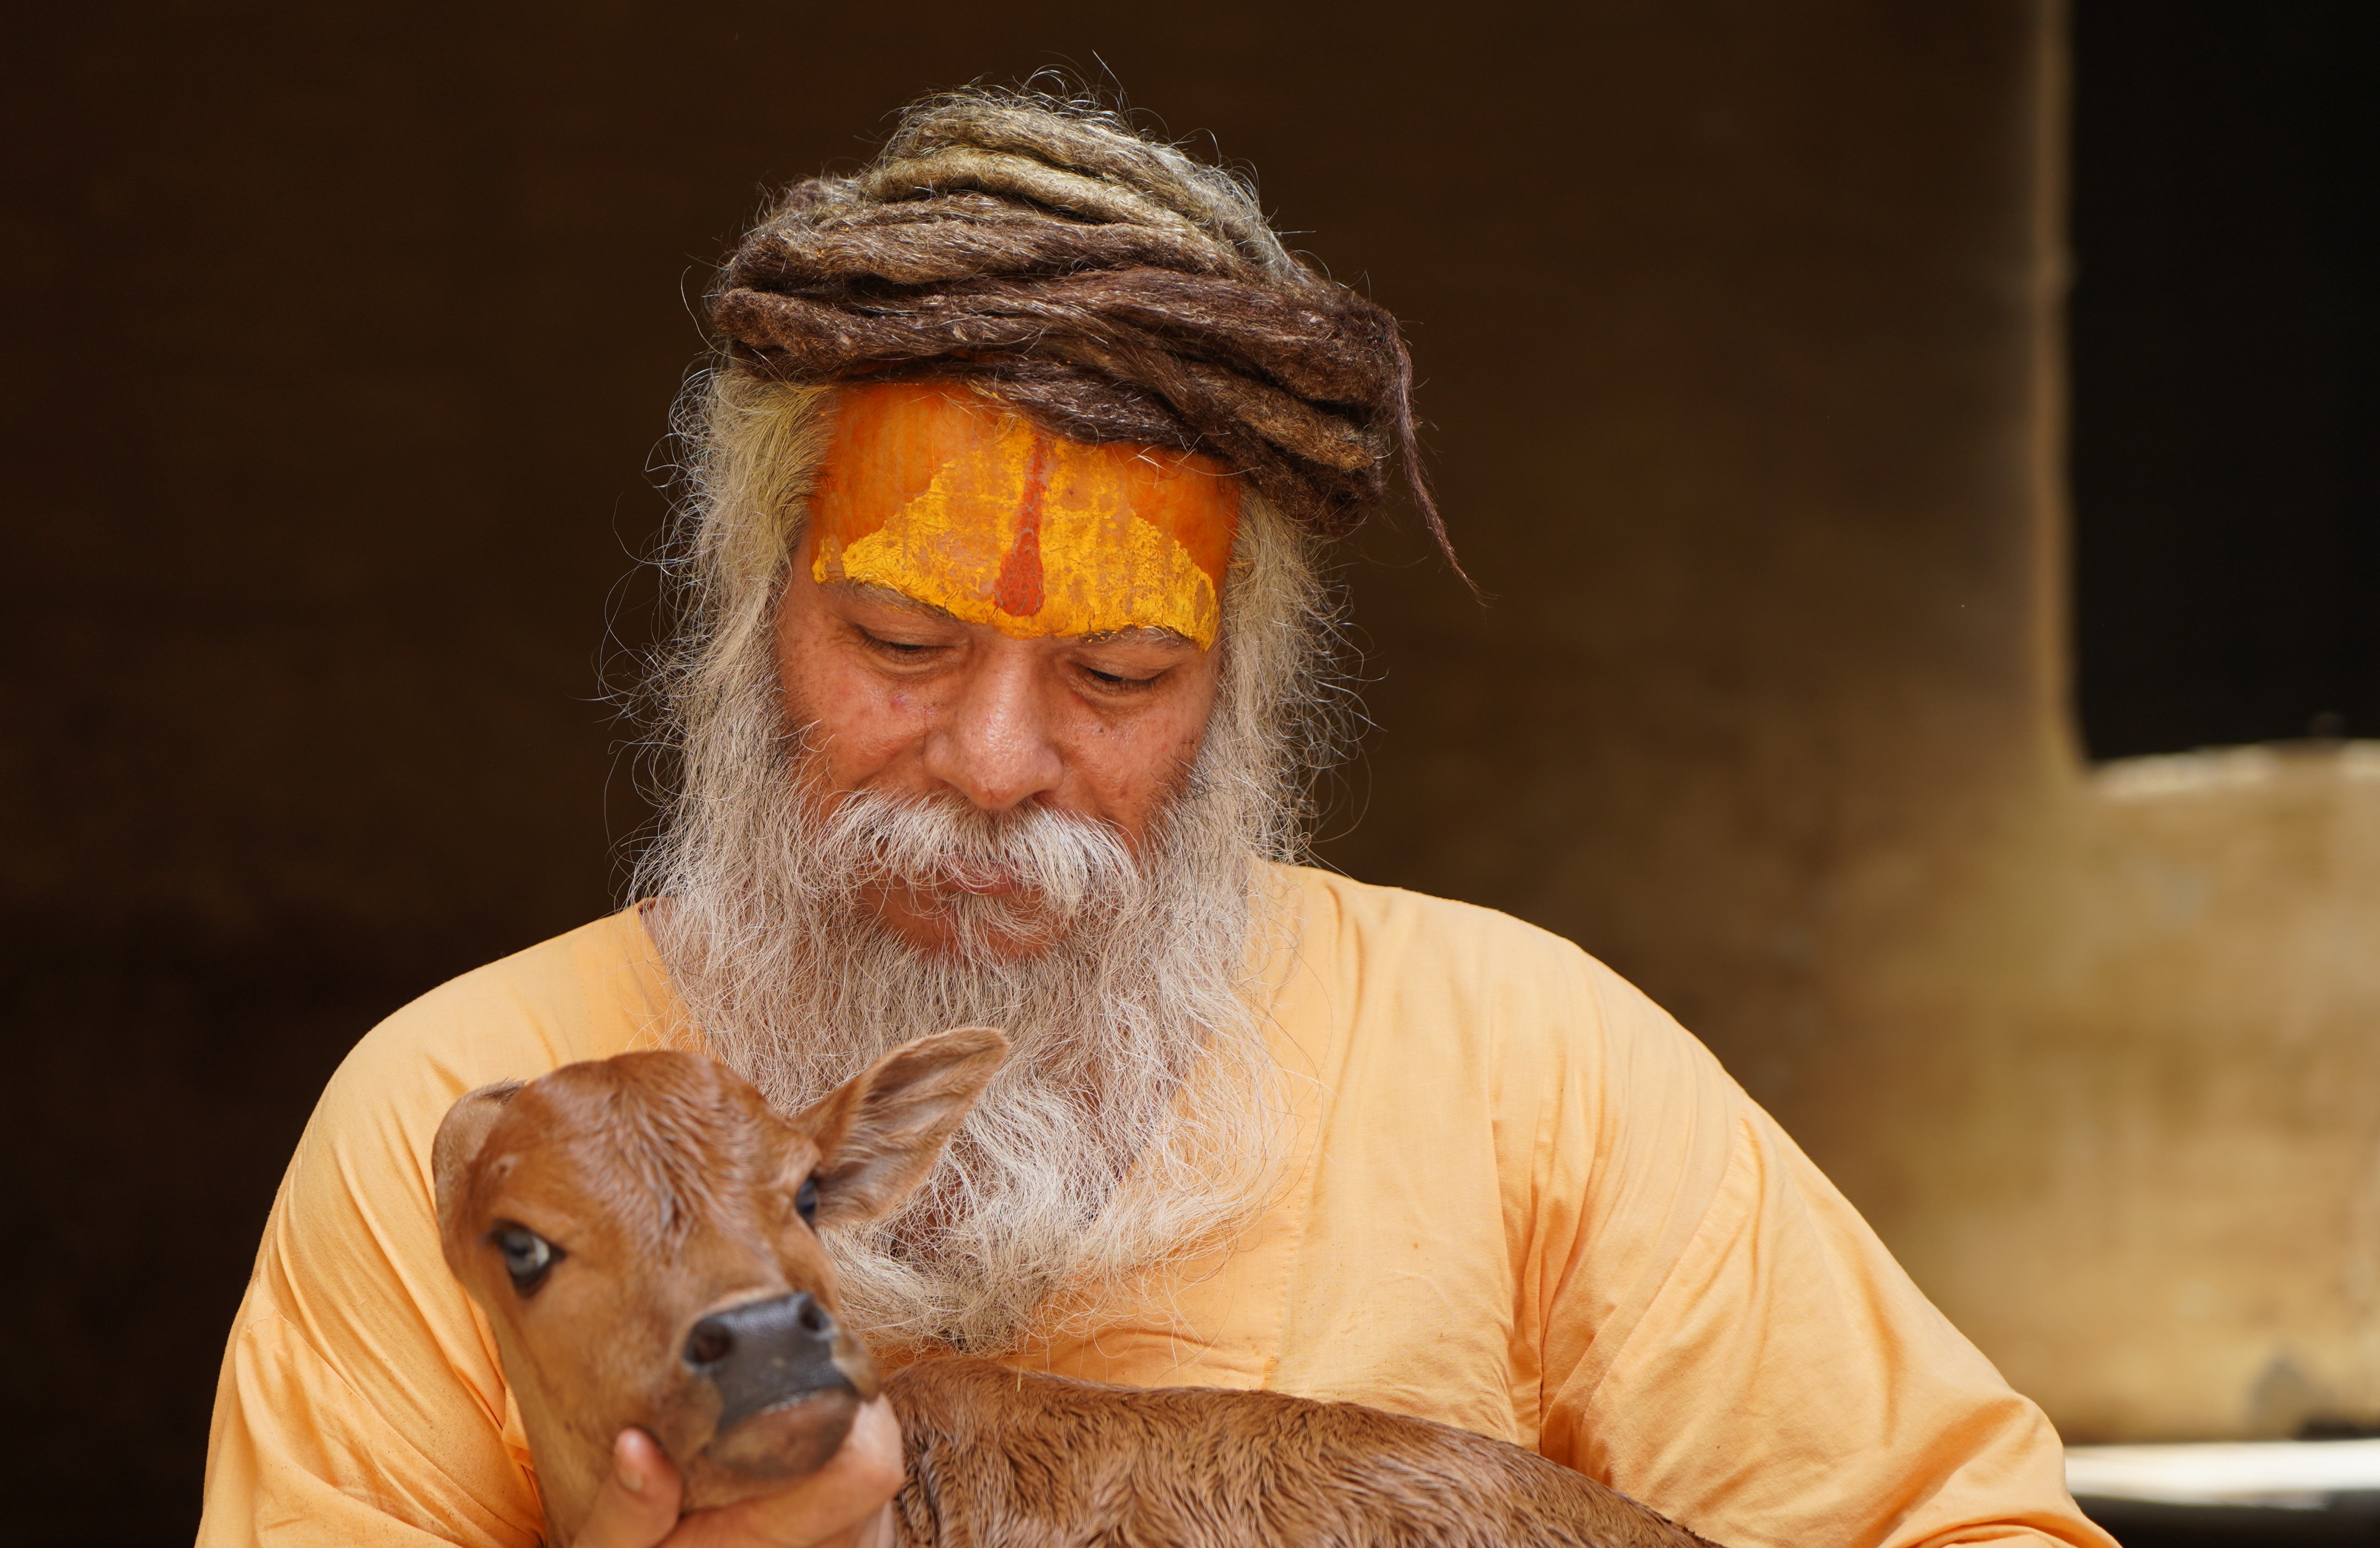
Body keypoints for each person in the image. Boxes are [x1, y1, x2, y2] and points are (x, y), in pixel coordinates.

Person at [197, 89, 2112, 1548]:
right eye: (899, 638)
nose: (1001, 763)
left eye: (1120, 676)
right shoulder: (462, 1116)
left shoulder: (1527, 1061)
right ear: (746, 613)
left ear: (1239, 695)